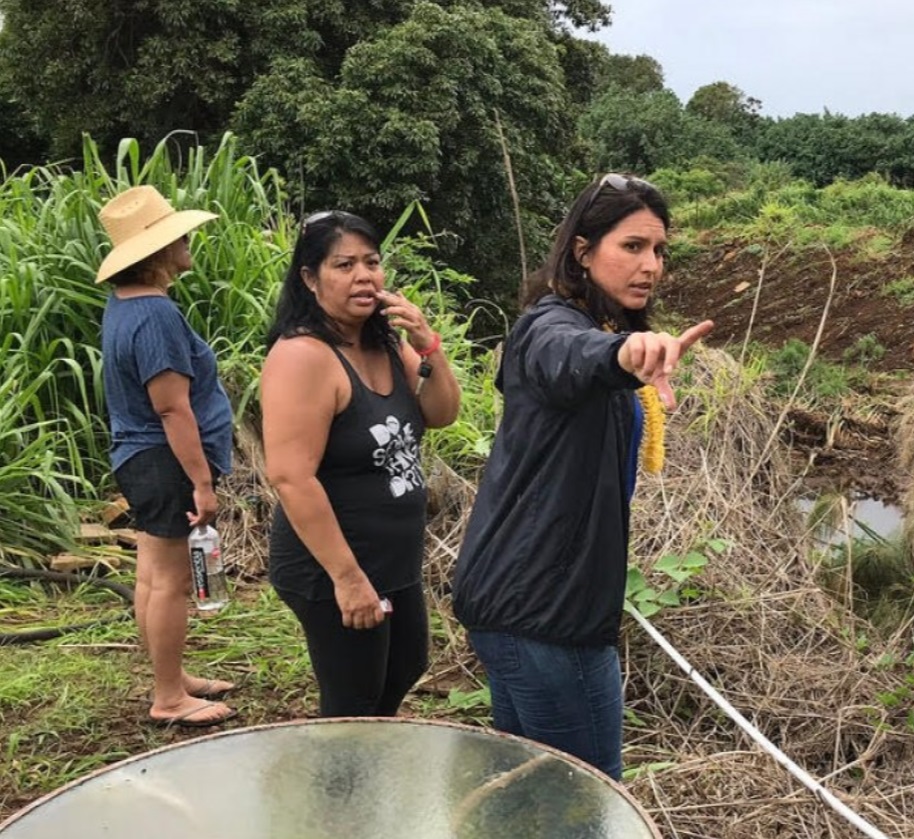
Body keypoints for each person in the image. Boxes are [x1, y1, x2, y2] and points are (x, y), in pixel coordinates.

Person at [452, 173, 713, 780]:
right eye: (632, 247)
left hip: (518, 598)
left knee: (529, 796)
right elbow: (568, 359)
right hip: (548, 614)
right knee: (588, 801)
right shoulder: (552, 327)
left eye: (659, 251)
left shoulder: (595, 326)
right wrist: (625, 356)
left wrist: (620, 349)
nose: (650, 265)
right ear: (582, 250)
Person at [260, 210, 461, 717]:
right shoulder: (302, 356)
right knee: (354, 701)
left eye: (371, 262)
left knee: (404, 666)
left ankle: (368, 780)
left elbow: (442, 412)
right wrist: (347, 580)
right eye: (344, 265)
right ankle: (340, 790)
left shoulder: (386, 341)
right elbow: (290, 475)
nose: (364, 276)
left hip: (392, 559)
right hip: (332, 564)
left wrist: (427, 343)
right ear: (310, 278)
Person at [97, 185, 238, 728]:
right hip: (164, 459)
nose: (187, 240)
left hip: (139, 457)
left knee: (153, 576)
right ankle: (169, 697)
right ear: (156, 251)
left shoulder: (124, 305)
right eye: (177, 234)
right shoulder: (155, 314)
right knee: (172, 580)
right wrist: (202, 483)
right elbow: (173, 409)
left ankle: (172, 678)